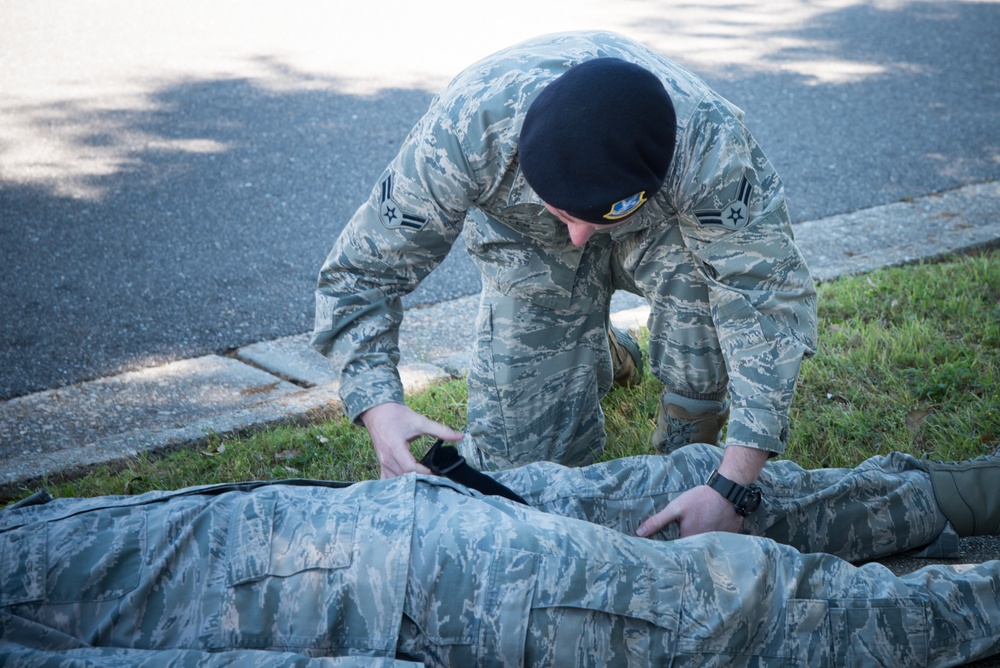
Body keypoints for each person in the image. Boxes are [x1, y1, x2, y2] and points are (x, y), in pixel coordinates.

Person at [311, 30, 817, 536]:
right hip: (527, 246)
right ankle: (597, 346)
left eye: (594, 217)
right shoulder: (463, 134)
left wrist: (732, 484)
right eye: (564, 212)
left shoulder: (707, 143)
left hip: (664, 234)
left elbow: (763, 294)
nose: (578, 236)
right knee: (522, 474)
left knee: (703, 309)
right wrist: (379, 408)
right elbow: (360, 275)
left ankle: (690, 444)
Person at [2, 444, 998, 666]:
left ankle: (964, 527)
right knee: (719, 570)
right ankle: (957, 524)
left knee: (732, 588)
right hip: (412, 547)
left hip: (433, 573)